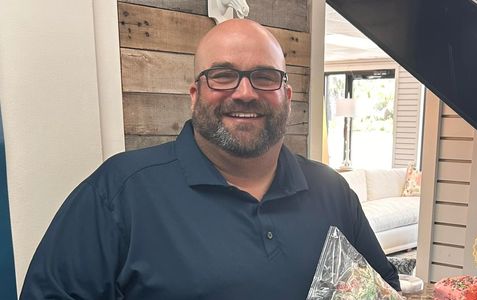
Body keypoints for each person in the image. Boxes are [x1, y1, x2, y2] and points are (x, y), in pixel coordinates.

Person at [20, 19, 400, 299]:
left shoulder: (331, 191)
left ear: (287, 95)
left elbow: (383, 289)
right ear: (194, 93)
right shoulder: (119, 194)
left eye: (265, 77)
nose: (245, 93)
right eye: (223, 76)